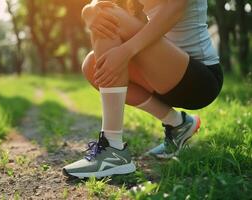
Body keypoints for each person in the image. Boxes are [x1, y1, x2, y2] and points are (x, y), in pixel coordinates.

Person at [63, 0, 223, 179]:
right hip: (163, 76)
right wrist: (89, 12)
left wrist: (126, 51)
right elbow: (99, 4)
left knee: (108, 15)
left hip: (199, 80)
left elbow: (174, 10)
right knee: (92, 66)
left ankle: (112, 148)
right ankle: (178, 123)